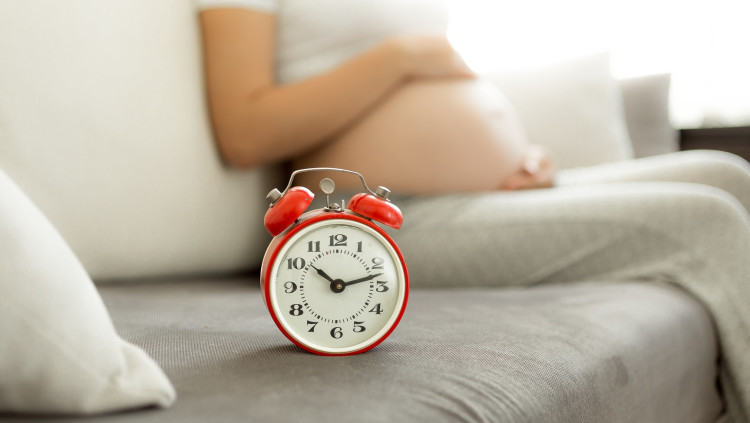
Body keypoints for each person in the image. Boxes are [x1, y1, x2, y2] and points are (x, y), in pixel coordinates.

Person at [197, 1, 750, 420]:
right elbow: (244, 131)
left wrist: (520, 150)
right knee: (705, 219)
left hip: (494, 191)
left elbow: (441, 82)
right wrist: (400, 56)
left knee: (726, 174)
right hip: (383, 222)